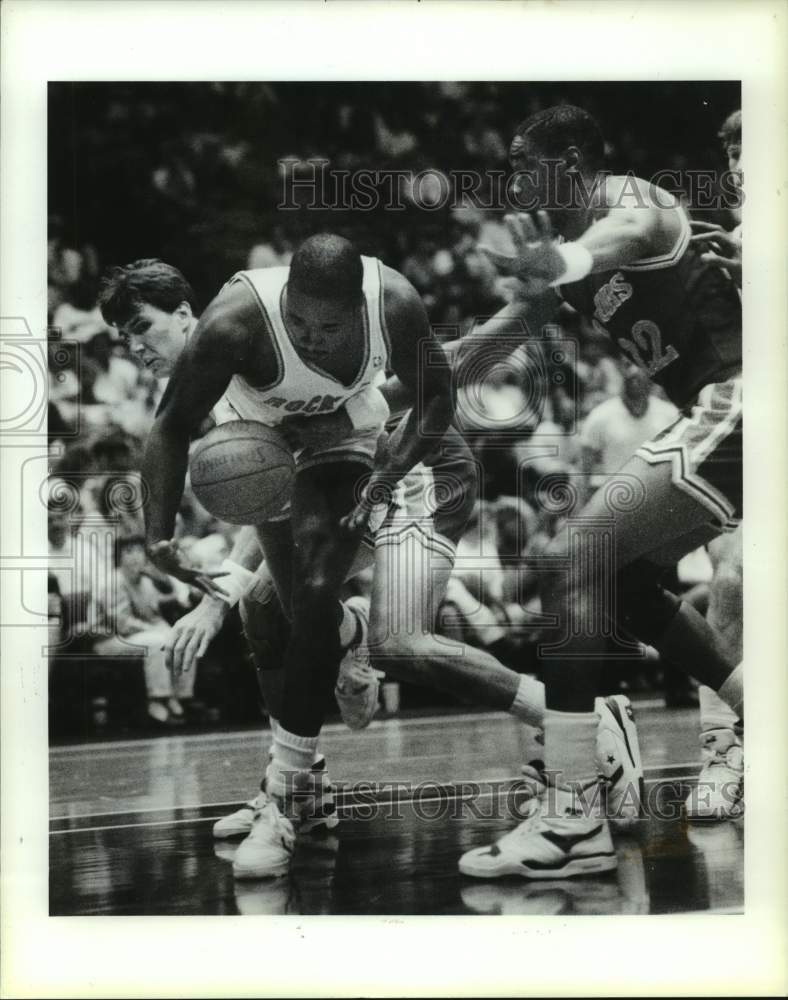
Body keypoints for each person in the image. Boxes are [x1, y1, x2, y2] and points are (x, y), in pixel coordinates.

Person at [100, 252, 644, 880]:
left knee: (402, 642)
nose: (134, 347)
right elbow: (274, 508)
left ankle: (581, 720)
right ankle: (300, 787)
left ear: (186, 313)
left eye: (140, 327)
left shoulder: (278, 325)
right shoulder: (216, 395)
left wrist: (531, 306)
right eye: (122, 337)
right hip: (348, 485)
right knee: (267, 607)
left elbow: (430, 373)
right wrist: (224, 593)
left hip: (419, 469)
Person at [104, 234, 456, 878]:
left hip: (376, 458)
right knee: (273, 617)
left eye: (141, 329)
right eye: (298, 322)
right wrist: (174, 554)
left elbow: (436, 388)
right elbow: (192, 447)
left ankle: (289, 791)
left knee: (335, 604)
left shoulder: (377, 305)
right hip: (301, 465)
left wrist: (380, 448)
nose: (312, 338)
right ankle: (306, 775)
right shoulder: (228, 355)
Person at [458, 104, 743, 880]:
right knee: (614, 578)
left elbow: (600, 248)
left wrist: (562, 262)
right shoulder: (568, 243)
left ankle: (573, 814)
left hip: (744, 396)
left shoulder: (634, 204)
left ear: (572, 157)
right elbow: (494, 338)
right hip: (720, 412)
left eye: (523, 161)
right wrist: (391, 381)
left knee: (572, 559)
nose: (514, 178)